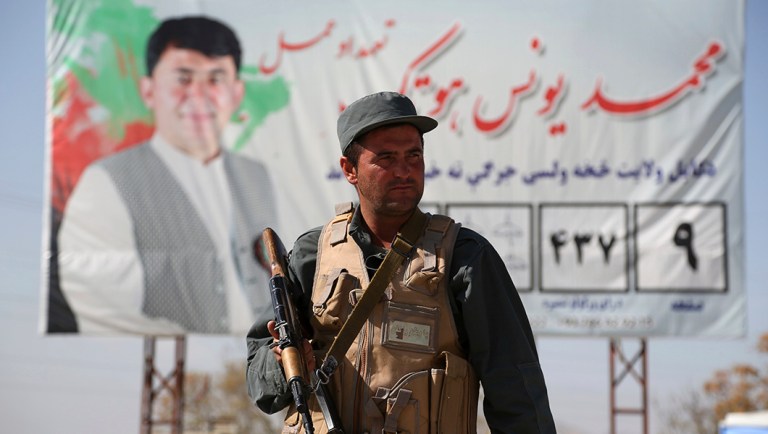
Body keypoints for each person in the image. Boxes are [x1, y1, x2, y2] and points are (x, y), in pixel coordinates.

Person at [246, 91, 556, 433]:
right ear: (349, 169)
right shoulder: (312, 256)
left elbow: (516, 389)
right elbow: (259, 381)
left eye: (414, 155)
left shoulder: (464, 258)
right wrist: (284, 365)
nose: (404, 170)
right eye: (387, 158)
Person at [57, 16, 276, 335]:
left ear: (236, 93)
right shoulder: (107, 181)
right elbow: (97, 301)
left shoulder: (257, 177)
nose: (199, 95)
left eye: (215, 80)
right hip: (185, 361)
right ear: (148, 90)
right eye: (183, 79)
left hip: (259, 362)